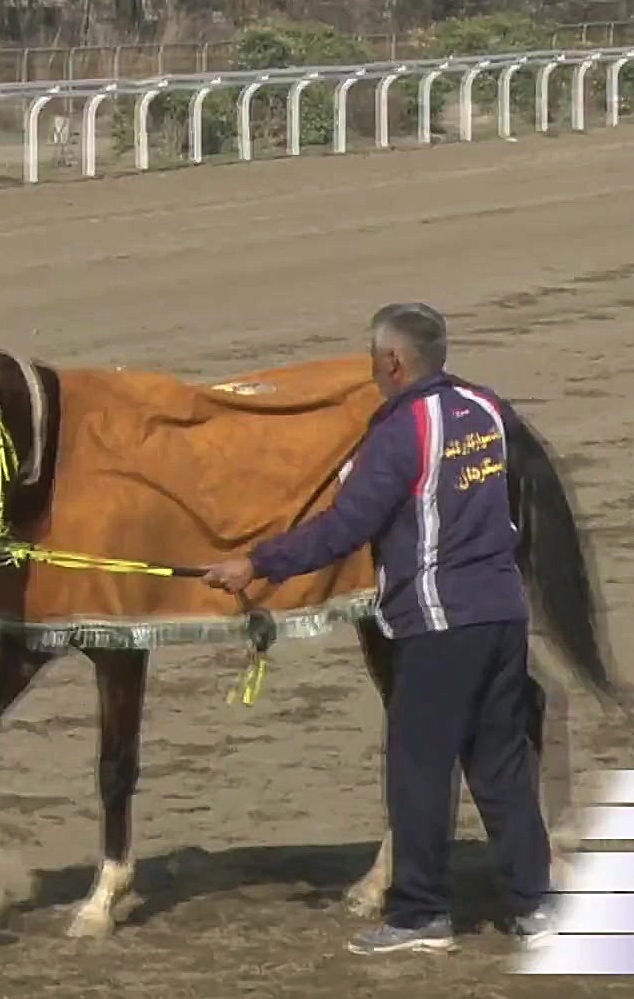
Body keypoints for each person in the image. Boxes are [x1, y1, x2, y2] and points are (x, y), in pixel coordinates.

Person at [201, 302, 555, 956]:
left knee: (418, 767)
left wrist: (256, 562)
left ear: (393, 362)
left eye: (372, 358)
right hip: (502, 614)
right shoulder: (488, 409)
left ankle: (421, 912)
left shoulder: (400, 432)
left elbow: (346, 528)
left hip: (440, 623)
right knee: (502, 763)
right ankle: (535, 901)